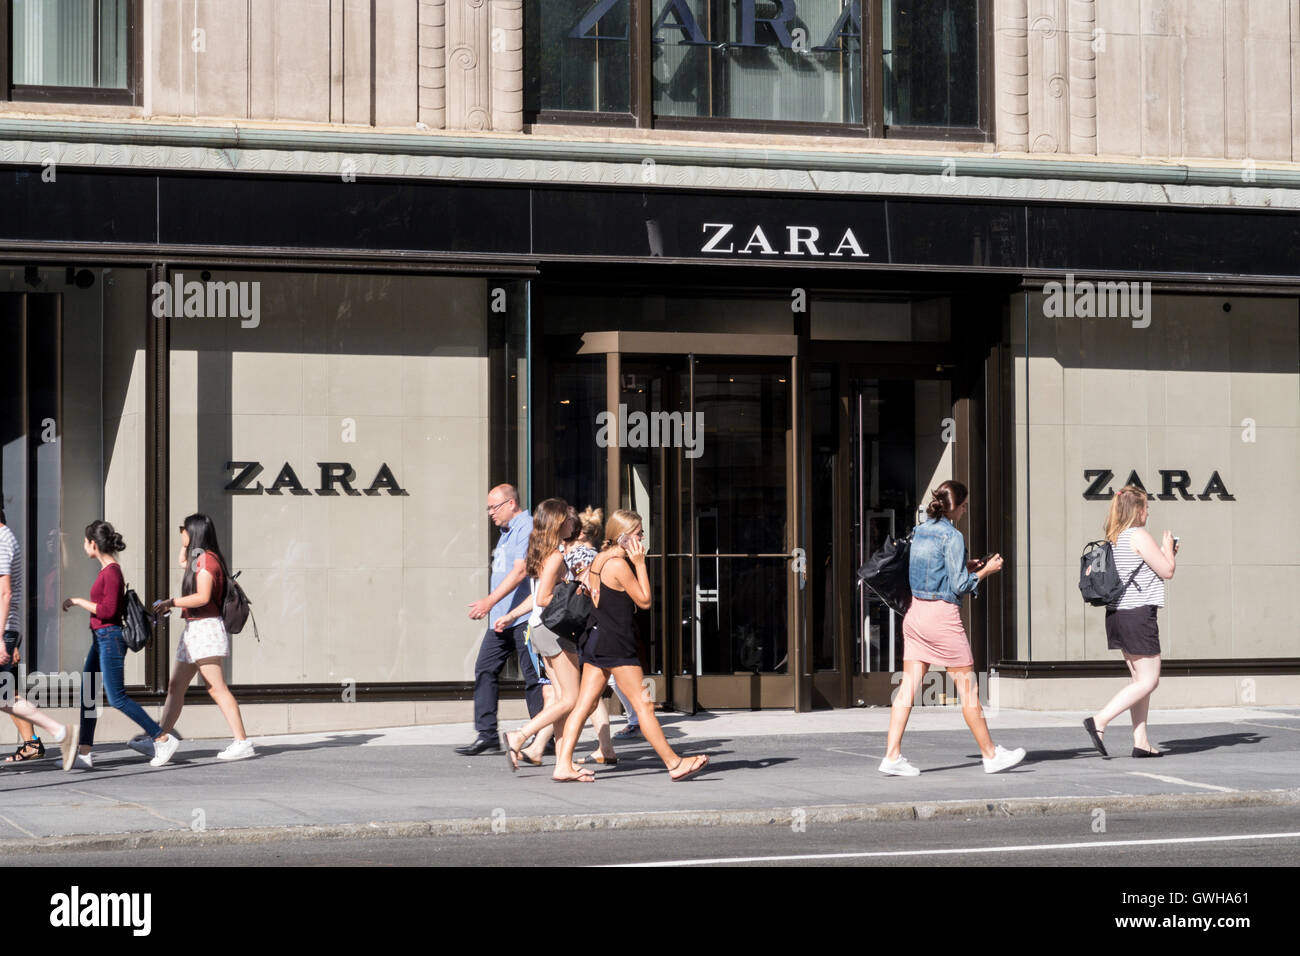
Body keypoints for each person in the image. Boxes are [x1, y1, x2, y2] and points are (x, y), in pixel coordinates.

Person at [552, 509, 709, 783]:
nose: (643, 537)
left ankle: (563, 764)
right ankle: (674, 763)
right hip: (615, 644)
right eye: (638, 533)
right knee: (643, 707)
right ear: (623, 537)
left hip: (596, 639)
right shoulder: (619, 564)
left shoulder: (600, 559)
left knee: (584, 704)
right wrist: (640, 563)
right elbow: (645, 600)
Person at [880, 480, 1024, 776]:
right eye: (965, 505)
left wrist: (965, 565)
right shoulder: (953, 536)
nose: (966, 510)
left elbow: (932, 571)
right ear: (956, 507)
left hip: (915, 614)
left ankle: (891, 756)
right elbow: (960, 586)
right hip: (942, 619)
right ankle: (991, 754)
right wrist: (986, 570)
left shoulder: (920, 530)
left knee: (907, 689)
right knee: (969, 691)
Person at [61, 521, 169, 769]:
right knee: (88, 694)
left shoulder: (111, 572)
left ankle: (161, 737)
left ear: (93, 544)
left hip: (110, 638)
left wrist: (78, 601)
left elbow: (108, 611)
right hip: (100, 639)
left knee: (116, 697)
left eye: (85, 541)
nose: (82, 545)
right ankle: (84, 754)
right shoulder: (106, 571)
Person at [149, 513, 253, 766]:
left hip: (205, 629)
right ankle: (160, 737)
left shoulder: (207, 561)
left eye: (183, 530)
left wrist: (171, 602)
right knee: (176, 687)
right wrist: (185, 544)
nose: (180, 533)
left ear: (193, 532)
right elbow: (182, 561)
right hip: (194, 630)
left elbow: (203, 597)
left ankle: (242, 741)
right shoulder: (201, 558)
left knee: (216, 688)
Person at [1083, 485, 1177, 759]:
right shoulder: (1138, 534)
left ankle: (1141, 741)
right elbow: (1167, 570)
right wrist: (1169, 550)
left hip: (1118, 615)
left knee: (1139, 680)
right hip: (1137, 615)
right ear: (1137, 510)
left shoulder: (1116, 537)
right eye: (1146, 507)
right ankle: (1099, 720)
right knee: (1150, 681)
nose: (1148, 512)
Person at [496, 499, 587, 770]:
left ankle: (563, 764)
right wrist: (576, 590)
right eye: (569, 518)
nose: (573, 521)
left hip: (539, 629)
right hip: (554, 631)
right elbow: (546, 597)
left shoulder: (544, 551)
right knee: (571, 698)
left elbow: (538, 596)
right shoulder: (556, 555)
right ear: (559, 522)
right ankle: (520, 735)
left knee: (560, 699)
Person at [455, 484, 544, 756]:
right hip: (501, 618)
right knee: (485, 669)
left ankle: (544, 736)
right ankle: (487, 735)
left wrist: (489, 601)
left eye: (494, 507)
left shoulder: (525, 528)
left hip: (522, 617)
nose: (490, 513)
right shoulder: (505, 532)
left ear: (511, 504)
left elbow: (520, 572)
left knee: (533, 678)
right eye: (489, 508)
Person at [0, 507, 79, 771]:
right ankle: (58, 733)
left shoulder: (2, 540)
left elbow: (5, 594)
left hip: (3, 631)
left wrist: (0, 638)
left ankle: (58, 733)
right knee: (5, 696)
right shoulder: (5, 538)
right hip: (6, 631)